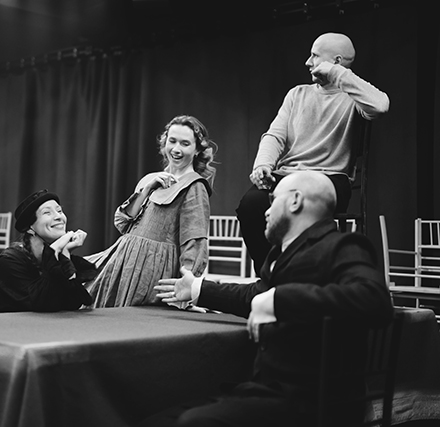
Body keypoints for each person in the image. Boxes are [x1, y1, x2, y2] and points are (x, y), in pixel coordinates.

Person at [150, 171, 393, 427]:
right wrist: (197, 288)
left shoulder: (343, 246)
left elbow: (374, 300)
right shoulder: (281, 253)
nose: (266, 211)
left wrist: (279, 299)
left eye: (273, 200)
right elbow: (256, 296)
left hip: (316, 405)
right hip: (265, 392)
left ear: (295, 201)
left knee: (192, 423)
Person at [237, 32, 390, 275]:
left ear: (336, 61)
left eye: (315, 56)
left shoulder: (354, 97)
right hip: (289, 175)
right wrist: (263, 165)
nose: (308, 62)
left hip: (329, 178)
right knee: (250, 205)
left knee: (300, 208)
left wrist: (337, 73)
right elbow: (274, 135)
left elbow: (380, 106)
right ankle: (271, 274)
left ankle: (300, 275)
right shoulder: (297, 94)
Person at [85, 115, 217, 307]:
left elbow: (194, 243)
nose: (176, 149)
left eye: (185, 143)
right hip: (124, 261)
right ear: (165, 143)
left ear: (197, 150)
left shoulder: (194, 186)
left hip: (152, 271)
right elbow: (122, 223)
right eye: (172, 141)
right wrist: (147, 189)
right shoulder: (150, 179)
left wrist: (187, 289)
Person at [0, 189, 95, 312]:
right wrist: (54, 253)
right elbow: (43, 304)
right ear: (29, 228)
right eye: (47, 213)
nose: (59, 216)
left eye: (59, 211)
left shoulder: (58, 256)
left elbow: (76, 302)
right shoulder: (8, 261)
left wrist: (65, 254)